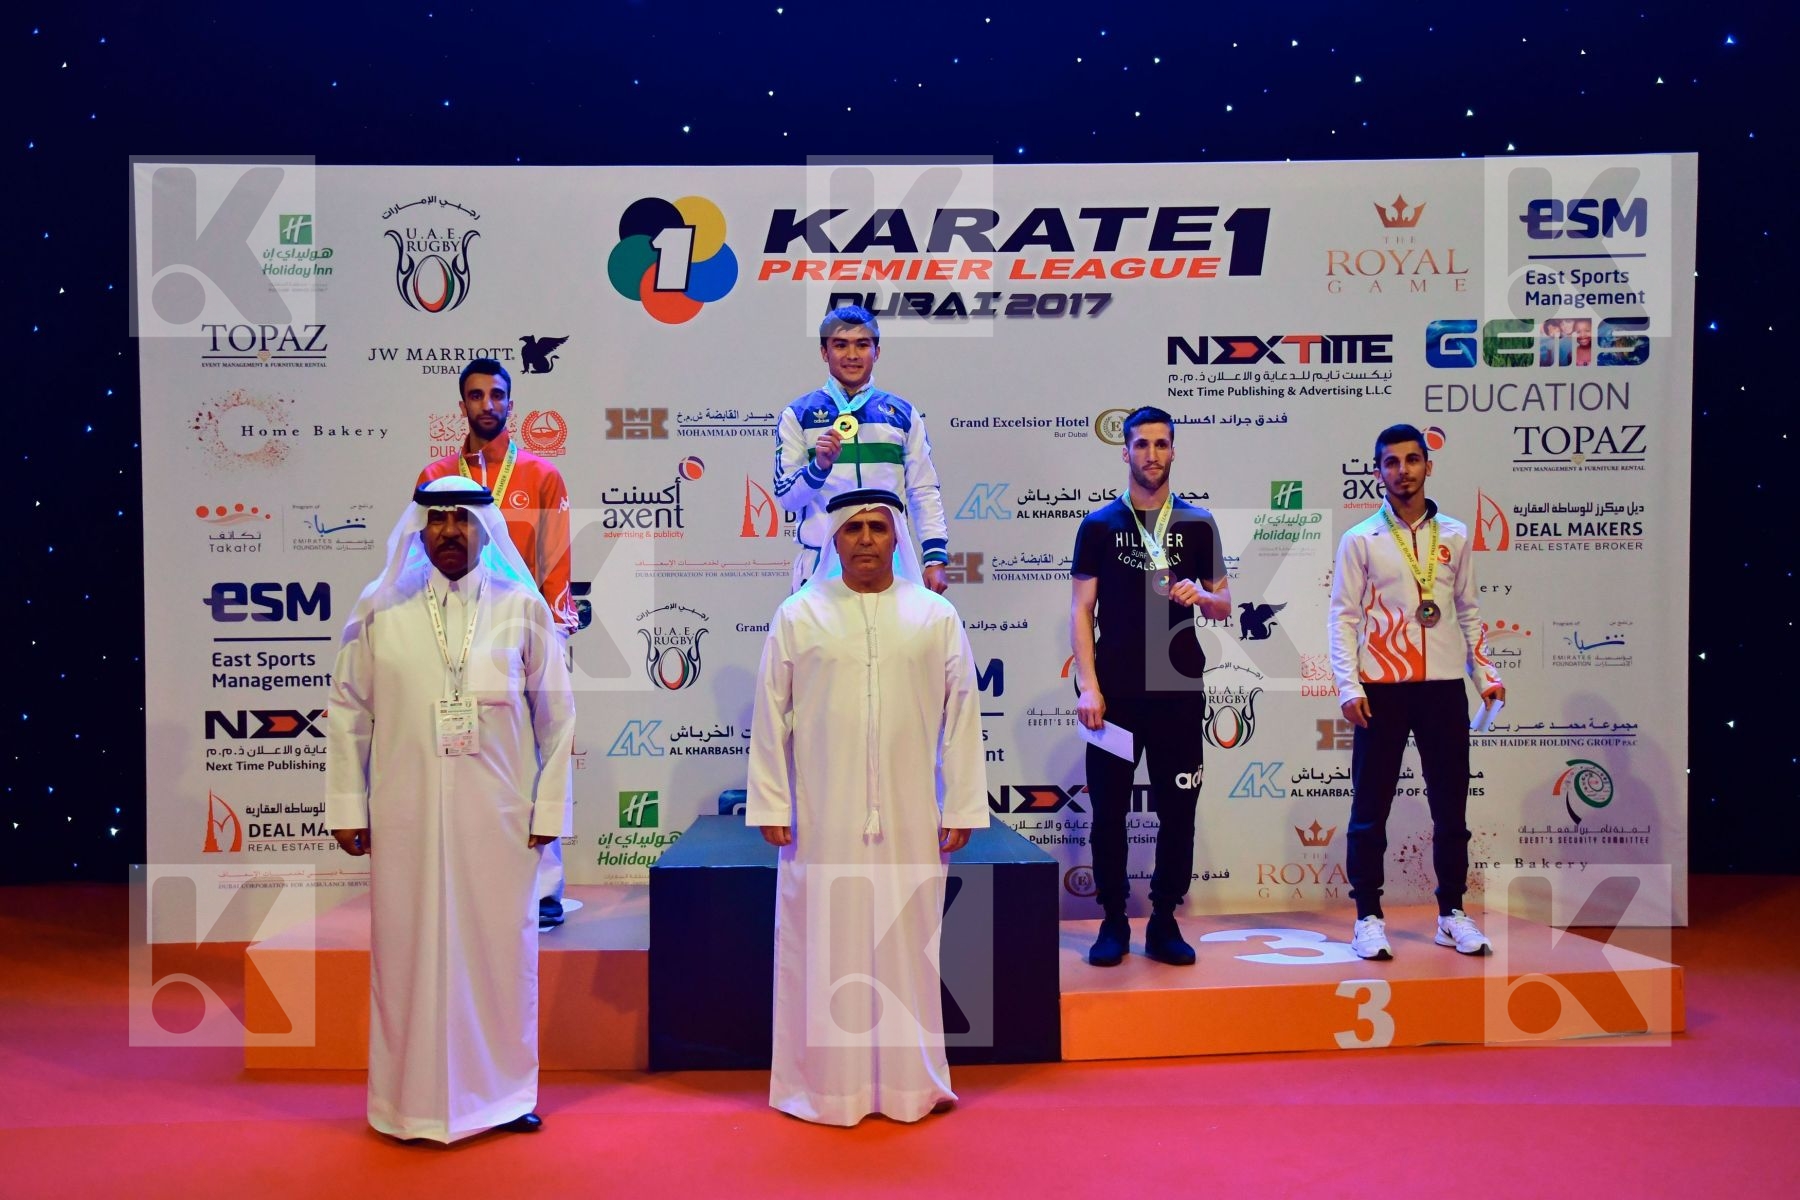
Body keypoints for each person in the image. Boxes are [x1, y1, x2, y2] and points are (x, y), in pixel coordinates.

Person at [325, 476, 576, 1142]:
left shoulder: (522, 609)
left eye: (462, 520)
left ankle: (503, 1096)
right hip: (405, 816)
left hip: (498, 822)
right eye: (435, 521)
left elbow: (559, 720)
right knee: (407, 957)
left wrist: (550, 814)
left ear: (484, 529)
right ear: (418, 529)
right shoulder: (381, 607)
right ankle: (406, 1104)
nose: (448, 533)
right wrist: (350, 802)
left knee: (500, 957)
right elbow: (348, 709)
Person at [747, 488, 989, 1125]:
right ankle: (827, 1088)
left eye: (877, 527)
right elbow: (770, 716)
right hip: (822, 814)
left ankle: (911, 1085)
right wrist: (770, 799)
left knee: (906, 942)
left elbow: (963, 715)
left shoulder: (935, 616)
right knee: (824, 940)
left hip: (911, 815)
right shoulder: (799, 614)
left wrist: (961, 803)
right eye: (852, 528)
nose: (864, 540)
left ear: (895, 536)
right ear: (833, 538)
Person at [1327, 423, 1506, 959]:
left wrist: (1486, 674)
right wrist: (1346, 685)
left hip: (1444, 690)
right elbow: (1343, 618)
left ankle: (1452, 913)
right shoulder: (1360, 539)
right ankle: (1368, 917)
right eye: (1391, 462)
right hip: (1382, 690)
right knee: (1369, 809)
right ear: (1377, 471)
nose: (1402, 471)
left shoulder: (1453, 533)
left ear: (1429, 465)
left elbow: (1468, 613)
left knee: (1451, 809)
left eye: (1411, 460)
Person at [418, 357, 576, 931]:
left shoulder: (540, 474)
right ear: (461, 405)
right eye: (476, 396)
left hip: (524, 630)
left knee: (543, 751)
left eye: (497, 395)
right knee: (461, 749)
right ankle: (463, 873)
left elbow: (555, 557)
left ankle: (545, 888)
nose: (488, 404)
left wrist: (554, 629)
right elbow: (421, 555)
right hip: (454, 629)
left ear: (512, 403)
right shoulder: (437, 473)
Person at [1070, 407, 1230, 968]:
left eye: (1162, 445)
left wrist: (1202, 597)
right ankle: (1113, 921)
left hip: (1180, 690)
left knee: (1178, 811)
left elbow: (1224, 603)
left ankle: (1163, 921)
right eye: (1142, 445)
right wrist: (1089, 686)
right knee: (1109, 812)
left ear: (1173, 451)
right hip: (1115, 693)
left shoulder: (1198, 523)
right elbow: (1081, 610)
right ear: (1126, 452)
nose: (1152, 455)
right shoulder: (1098, 526)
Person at [772, 306, 952, 594]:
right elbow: (788, 499)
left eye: (862, 345)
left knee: (895, 641)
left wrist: (934, 556)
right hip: (821, 565)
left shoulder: (902, 414)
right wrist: (818, 468)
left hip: (889, 565)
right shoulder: (799, 414)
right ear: (824, 352)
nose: (852, 355)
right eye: (840, 345)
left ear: (877, 352)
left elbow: (923, 489)